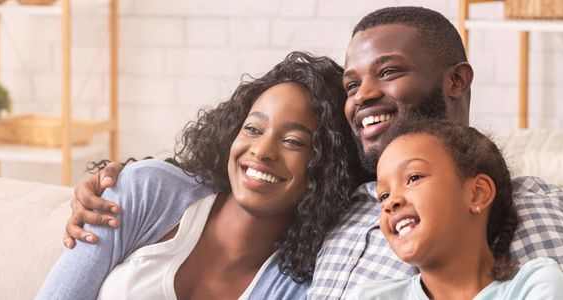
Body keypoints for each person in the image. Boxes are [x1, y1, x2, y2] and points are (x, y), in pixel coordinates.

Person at [63, 6, 563, 299]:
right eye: (352, 84)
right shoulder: (338, 205)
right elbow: (233, 183)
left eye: (390, 72)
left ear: (456, 82)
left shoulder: (519, 203)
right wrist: (111, 177)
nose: (364, 96)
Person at [37, 52, 366, 299]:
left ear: (327, 167)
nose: (262, 150)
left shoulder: (296, 285)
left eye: (294, 141)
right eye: (252, 128)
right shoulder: (147, 191)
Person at [347, 118, 563, 299]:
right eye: (383, 195)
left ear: (477, 193)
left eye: (414, 177)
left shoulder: (536, 285)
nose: (390, 202)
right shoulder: (369, 296)